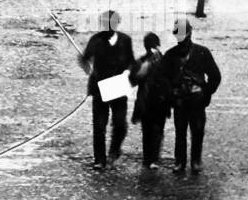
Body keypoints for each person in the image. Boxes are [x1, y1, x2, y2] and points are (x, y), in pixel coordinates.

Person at [160, 16, 221, 176]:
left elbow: (215, 76)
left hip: (197, 101)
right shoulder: (170, 55)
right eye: (178, 35)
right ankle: (180, 161)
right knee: (180, 132)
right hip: (179, 101)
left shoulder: (202, 52)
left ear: (190, 33)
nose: (182, 39)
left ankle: (196, 161)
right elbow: (161, 78)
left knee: (197, 131)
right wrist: (171, 95)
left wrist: (206, 94)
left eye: (184, 35)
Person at [78, 10, 135, 169]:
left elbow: (131, 61)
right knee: (99, 125)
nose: (108, 27)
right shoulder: (95, 40)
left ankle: (114, 151)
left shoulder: (125, 40)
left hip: (118, 88)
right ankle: (99, 160)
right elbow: (84, 58)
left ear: (117, 24)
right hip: (99, 88)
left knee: (120, 124)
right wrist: (87, 67)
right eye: (105, 24)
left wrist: (128, 71)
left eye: (111, 23)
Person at [129, 31, 169, 170]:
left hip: (149, 100)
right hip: (156, 100)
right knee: (155, 130)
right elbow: (133, 79)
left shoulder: (152, 61)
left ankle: (149, 158)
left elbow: (132, 80)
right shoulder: (160, 60)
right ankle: (152, 159)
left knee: (149, 130)